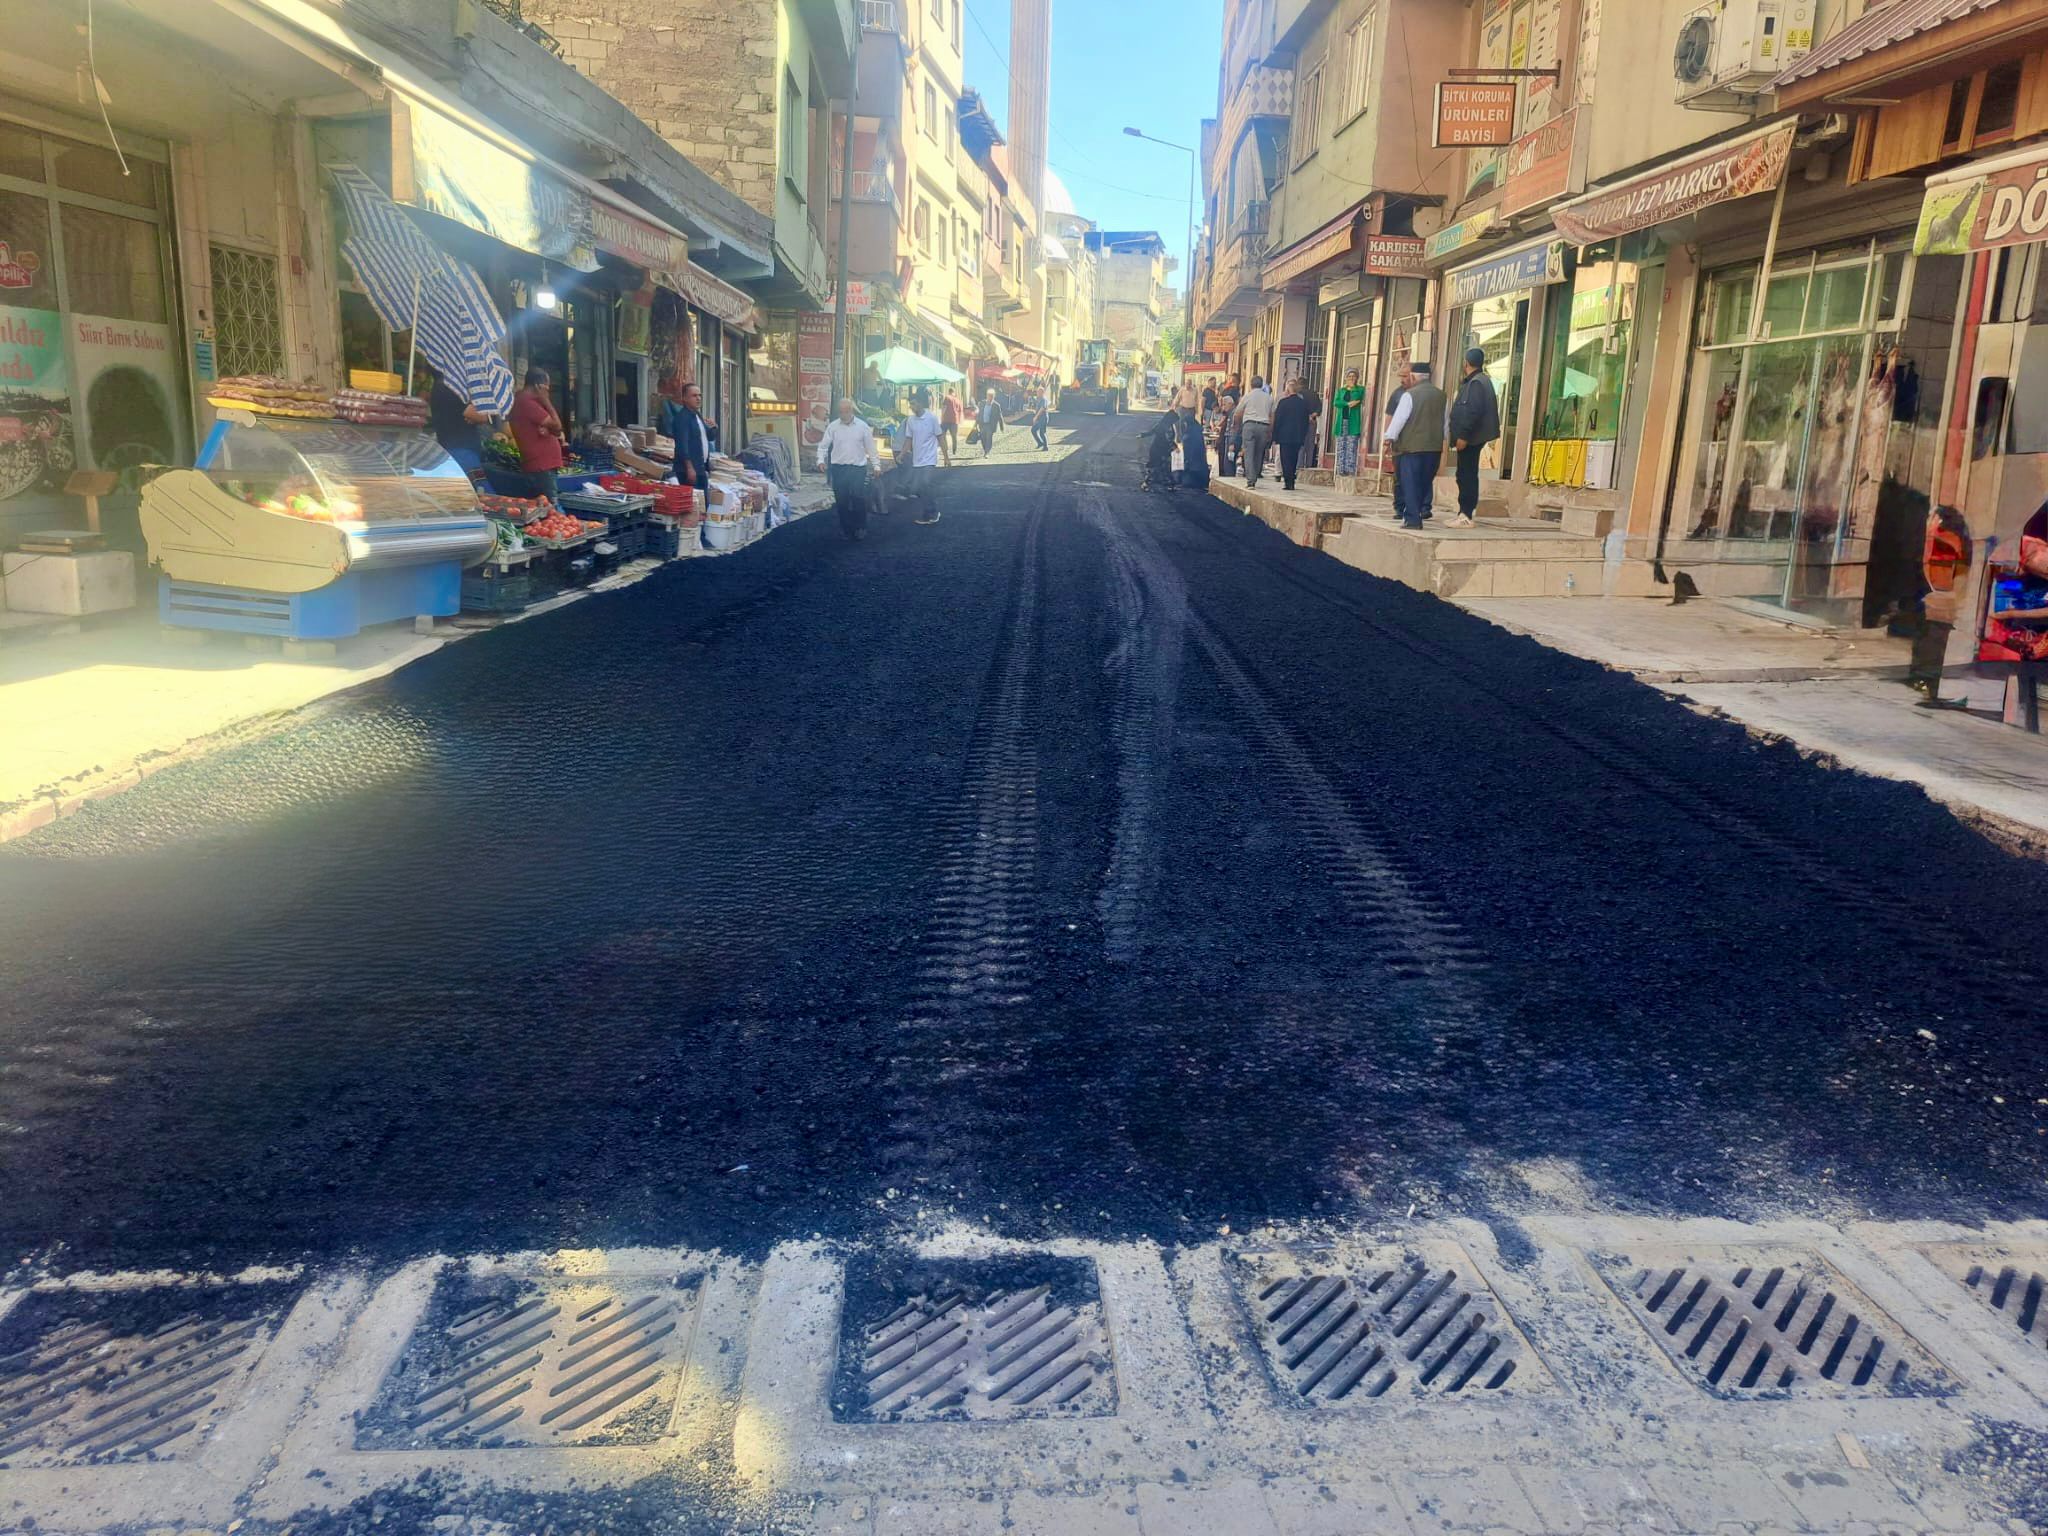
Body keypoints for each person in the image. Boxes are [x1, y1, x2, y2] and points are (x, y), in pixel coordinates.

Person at [1382, 362, 1446, 531]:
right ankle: (1417, 512)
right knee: (1424, 484)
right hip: (1434, 447)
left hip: (1411, 448)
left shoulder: (1409, 395)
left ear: (1413, 376)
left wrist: (1388, 438)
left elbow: (1399, 419)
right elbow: (1446, 423)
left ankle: (1412, 519)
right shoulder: (1442, 396)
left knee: (1410, 483)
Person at [1447, 346, 1501, 528]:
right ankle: (1463, 513)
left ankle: (1466, 515)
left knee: (1466, 475)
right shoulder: (1478, 380)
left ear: (1466, 363)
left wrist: (1463, 436)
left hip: (1470, 439)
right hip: (1471, 437)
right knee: (1465, 474)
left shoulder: (1477, 383)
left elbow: (1472, 411)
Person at [818, 397, 879, 540]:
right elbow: (823, 446)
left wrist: (876, 465)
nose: (843, 414)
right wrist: (820, 460)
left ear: (851, 410)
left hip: (857, 468)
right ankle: (846, 529)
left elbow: (871, 448)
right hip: (839, 469)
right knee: (841, 500)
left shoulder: (862, 427)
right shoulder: (833, 427)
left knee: (858, 497)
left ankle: (860, 527)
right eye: (840, 412)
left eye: (846, 411)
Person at [508, 367, 566, 501]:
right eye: (547, 387)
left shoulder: (528, 402)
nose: (548, 390)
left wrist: (551, 429)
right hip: (541, 466)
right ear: (538, 386)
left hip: (541, 465)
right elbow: (557, 426)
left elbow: (556, 430)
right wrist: (546, 400)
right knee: (551, 508)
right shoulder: (526, 403)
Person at [424, 363, 491, 476]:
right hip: (463, 453)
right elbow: (482, 416)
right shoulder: (449, 388)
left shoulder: (438, 388)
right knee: (479, 491)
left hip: (453, 450)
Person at [659, 372, 716, 496]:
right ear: (684, 398)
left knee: (703, 505)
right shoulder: (682, 418)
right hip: (688, 471)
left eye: (700, 395)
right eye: (694, 396)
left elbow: (710, 437)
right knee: (693, 505)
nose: (698, 398)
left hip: (701, 468)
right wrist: (689, 468)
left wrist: (713, 427)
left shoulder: (698, 415)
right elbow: (682, 446)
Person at [900, 386, 943, 524]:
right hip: (917, 459)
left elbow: (940, 436)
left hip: (930, 458)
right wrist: (901, 454)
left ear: (919, 403)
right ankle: (929, 511)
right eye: (910, 404)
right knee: (919, 487)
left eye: (913, 403)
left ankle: (931, 512)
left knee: (925, 483)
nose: (911, 407)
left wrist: (946, 456)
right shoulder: (911, 421)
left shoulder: (932, 418)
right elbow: (908, 439)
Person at [1271, 377, 1313, 492]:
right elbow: (1306, 421)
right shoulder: (1303, 404)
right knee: (1294, 458)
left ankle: (1287, 481)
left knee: (1285, 459)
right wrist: (1303, 435)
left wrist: (1274, 436)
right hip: (1297, 436)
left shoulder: (1283, 403)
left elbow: (1278, 420)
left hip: (1284, 437)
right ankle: (1292, 481)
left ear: (1288, 390)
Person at [1237, 375, 1275, 487]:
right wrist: (1270, 430)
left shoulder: (1247, 396)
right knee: (1259, 453)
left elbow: (1238, 412)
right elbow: (1272, 415)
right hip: (1263, 426)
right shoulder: (1269, 397)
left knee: (1248, 453)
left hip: (1249, 425)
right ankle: (1256, 474)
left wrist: (1238, 426)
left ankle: (1251, 480)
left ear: (1251, 384)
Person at [1382, 372, 1411, 520]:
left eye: (1405, 376)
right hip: (1400, 444)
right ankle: (1399, 508)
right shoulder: (1398, 394)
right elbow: (1390, 417)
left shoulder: (1415, 395)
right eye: (1401, 376)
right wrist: (1387, 439)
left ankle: (1422, 508)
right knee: (1399, 477)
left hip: (1415, 444)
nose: (1402, 379)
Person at [1331, 367, 1366, 478]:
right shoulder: (1341, 390)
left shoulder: (1360, 389)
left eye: (1353, 376)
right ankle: (1341, 469)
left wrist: (1352, 390)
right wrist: (1347, 404)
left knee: (1351, 445)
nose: (1351, 378)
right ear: (1345, 378)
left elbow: (1359, 398)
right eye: (1349, 376)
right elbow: (1336, 402)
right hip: (1342, 421)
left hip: (1353, 421)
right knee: (1341, 445)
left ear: (1357, 378)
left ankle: (1350, 469)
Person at [1178, 404, 1211, 492]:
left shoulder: (1188, 435)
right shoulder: (1197, 430)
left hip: (1193, 469)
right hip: (1201, 468)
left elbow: (1187, 454)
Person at [975, 389, 1005, 456]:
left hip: (990, 425)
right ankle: (985, 449)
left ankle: (987, 452)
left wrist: (1001, 427)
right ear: (987, 396)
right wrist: (975, 423)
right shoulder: (982, 403)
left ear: (994, 396)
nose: (990, 397)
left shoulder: (996, 405)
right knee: (983, 438)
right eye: (989, 395)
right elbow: (978, 414)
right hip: (982, 424)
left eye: (992, 396)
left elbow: (1000, 417)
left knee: (989, 438)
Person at [939, 387, 962, 466]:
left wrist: (941, 416)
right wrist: (959, 420)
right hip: (955, 420)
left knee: (942, 436)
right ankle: (954, 449)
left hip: (945, 420)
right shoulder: (958, 400)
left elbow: (944, 408)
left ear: (949, 392)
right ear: (954, 392)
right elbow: (960, 411)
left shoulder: (947, 398)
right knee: (954, 436)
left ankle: (945, 449)